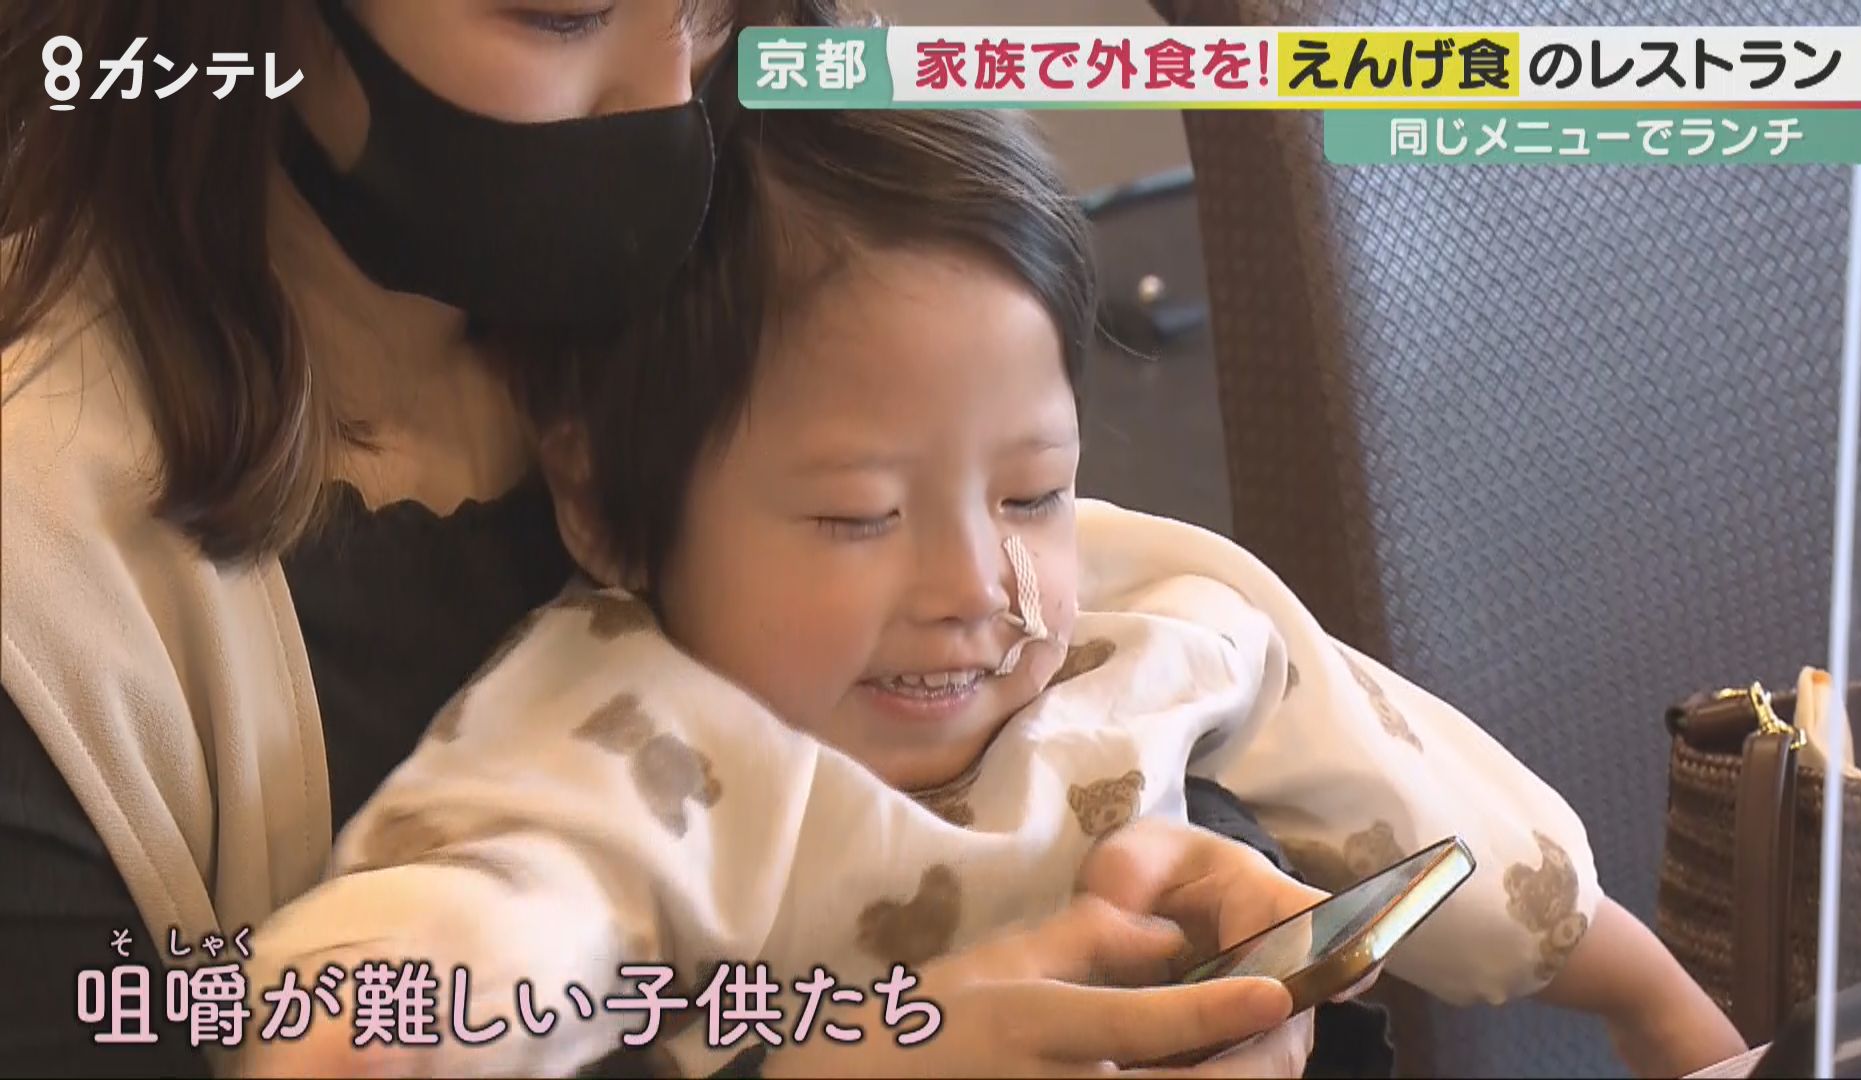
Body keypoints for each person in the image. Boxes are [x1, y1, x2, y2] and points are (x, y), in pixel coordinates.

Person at [235, 100, 1743, 1078]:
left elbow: (1426, 806)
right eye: (856, 515)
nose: (978, 586)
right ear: (599, 496)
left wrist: (1661, 1011)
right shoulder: (631, 737)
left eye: (1032, 493)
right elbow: (482, 912)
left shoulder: (1141, 610)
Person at [1, 2, 1330, 1076]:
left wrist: (1177, 871)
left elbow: (1042, 669)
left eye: (708, 6)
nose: (672, 100)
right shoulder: (47, 579)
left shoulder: (790, 235)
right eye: (564, 15)